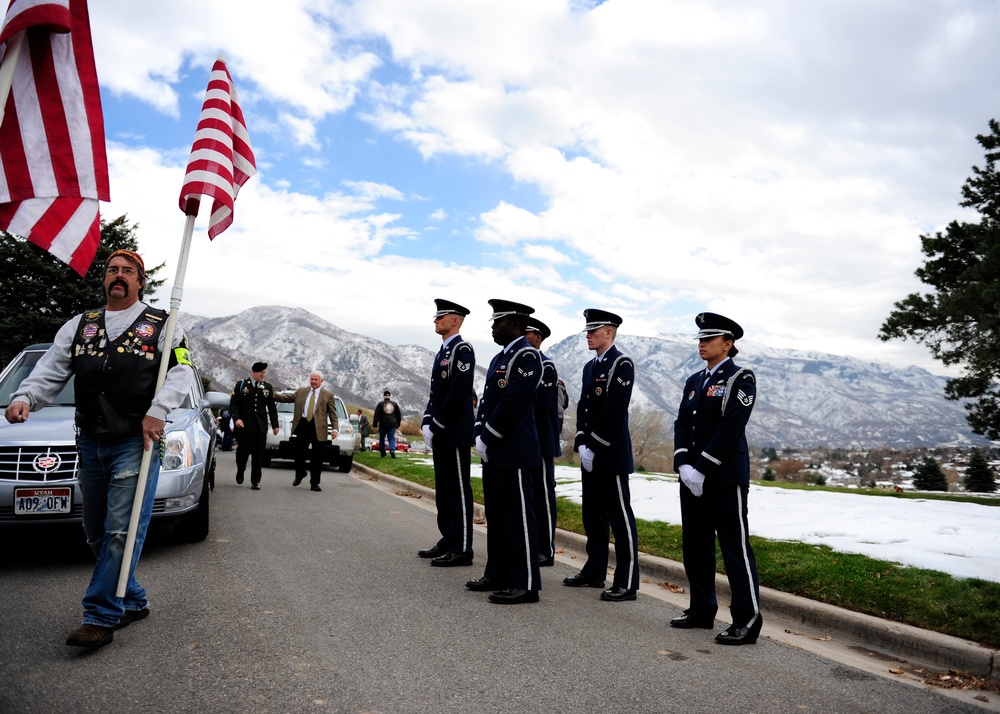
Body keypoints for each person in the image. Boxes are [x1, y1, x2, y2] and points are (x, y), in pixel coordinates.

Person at [4, 249, 195, 649]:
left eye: (128, 271)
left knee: (119, 532)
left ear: (140, 282)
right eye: (113, 270)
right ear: (104, 279)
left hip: (135, 441)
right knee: (95, 531)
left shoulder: (165, 326)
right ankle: (134, 598)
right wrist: (26, 397)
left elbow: (181, 373)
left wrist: (158, 410)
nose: (119, 276)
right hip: (90, 441)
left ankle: (100, 615)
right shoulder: (81, 325)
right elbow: (52, 370)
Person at [671, 312, 762, 646]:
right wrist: (683, 464)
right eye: (700, 339)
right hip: (692, 477)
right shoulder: (694, 381)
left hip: (723, 477)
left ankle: (747, 619)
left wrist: (702, 467)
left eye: (709, 339)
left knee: (734, 547)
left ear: (728, 344)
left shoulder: (740, 378)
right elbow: (682, 423)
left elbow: (730, 427)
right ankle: (701, 609)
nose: (702, 344)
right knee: (696, 545)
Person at [467, 299, 542, 605]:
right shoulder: (503, 356)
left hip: (515, 449)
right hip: (497, 449)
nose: (493, 327)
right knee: (497, 516)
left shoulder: (526, 356)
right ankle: (496, 573)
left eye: (498, 322)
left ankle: (525, 583)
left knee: (519, 517)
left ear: (514, 324)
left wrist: (488, 435)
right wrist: (479, 434)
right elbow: (488, 402)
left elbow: (514, 402)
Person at [562, 309, 640, 602]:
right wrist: (581, 442)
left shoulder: (621, 363)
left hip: (611, 453)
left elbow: (615, 409)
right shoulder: (589, 367)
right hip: (591, 452)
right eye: (587, 331)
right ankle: (594, 571)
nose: (588, 335)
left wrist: (594, 444)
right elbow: (584, 408)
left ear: (609, 332)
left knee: (620, 518)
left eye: (594, 331)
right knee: (592, 516)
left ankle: (627, 581)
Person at [419, 299, 477, 567]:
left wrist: (438, 423)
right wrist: (427, 420)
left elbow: (458, 391)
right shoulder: (442, 352)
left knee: (457, 489)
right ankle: (449, 537)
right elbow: (436, 393)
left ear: (455, 320)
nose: (435, 320)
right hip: (442, 428)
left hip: (454, 431)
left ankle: (463, 547)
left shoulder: (461, 350)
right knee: (443, 488)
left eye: (440, 316)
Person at [524, 317, 561, 567]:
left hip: (541, 441)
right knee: (529, 495)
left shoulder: (546, 366)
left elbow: (541, 407)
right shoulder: (523, 362)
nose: (522, 336)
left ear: (537, 337)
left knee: (543, 495)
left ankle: (545, 549)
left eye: (527, 333)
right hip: (526, 440)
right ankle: (532, 544)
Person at [273, 371, 339, 491]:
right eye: (311, 379)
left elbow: (333, 414)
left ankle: (314, 483)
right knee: (298, 452)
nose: (313, 381)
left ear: (321, 381)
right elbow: (286, 398)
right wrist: (271, 394)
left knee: (317, 457)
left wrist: (335, 429)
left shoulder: (328, 395)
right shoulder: (302, 391)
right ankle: (300, 473)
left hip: (319, 428)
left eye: (316, 380)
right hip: (303, 425)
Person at [229, 362, 279, 490]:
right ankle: (241, 470)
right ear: (254, 372)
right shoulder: (241, 385)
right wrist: (237, 419)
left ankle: (255, 480)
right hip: (244, 426)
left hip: (260, 427)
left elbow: (272, 407)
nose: (263, 375)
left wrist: (275, 425)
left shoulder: (267, 387)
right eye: (261, 372)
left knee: (258, 455)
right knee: (243, 451)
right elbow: (233, 405)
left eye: (264, 372)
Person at [373, 390, 402, 458]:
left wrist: (375, 425)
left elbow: (377, 415)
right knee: (391, 438)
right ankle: (392, 449)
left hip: (383, 424)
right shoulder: (394, 404)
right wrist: (398, 423)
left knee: (382, 439)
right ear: (390, 396)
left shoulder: (380, 404)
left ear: (384, 396)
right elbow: (398, 415)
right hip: (392, 424)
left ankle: (383, 453)